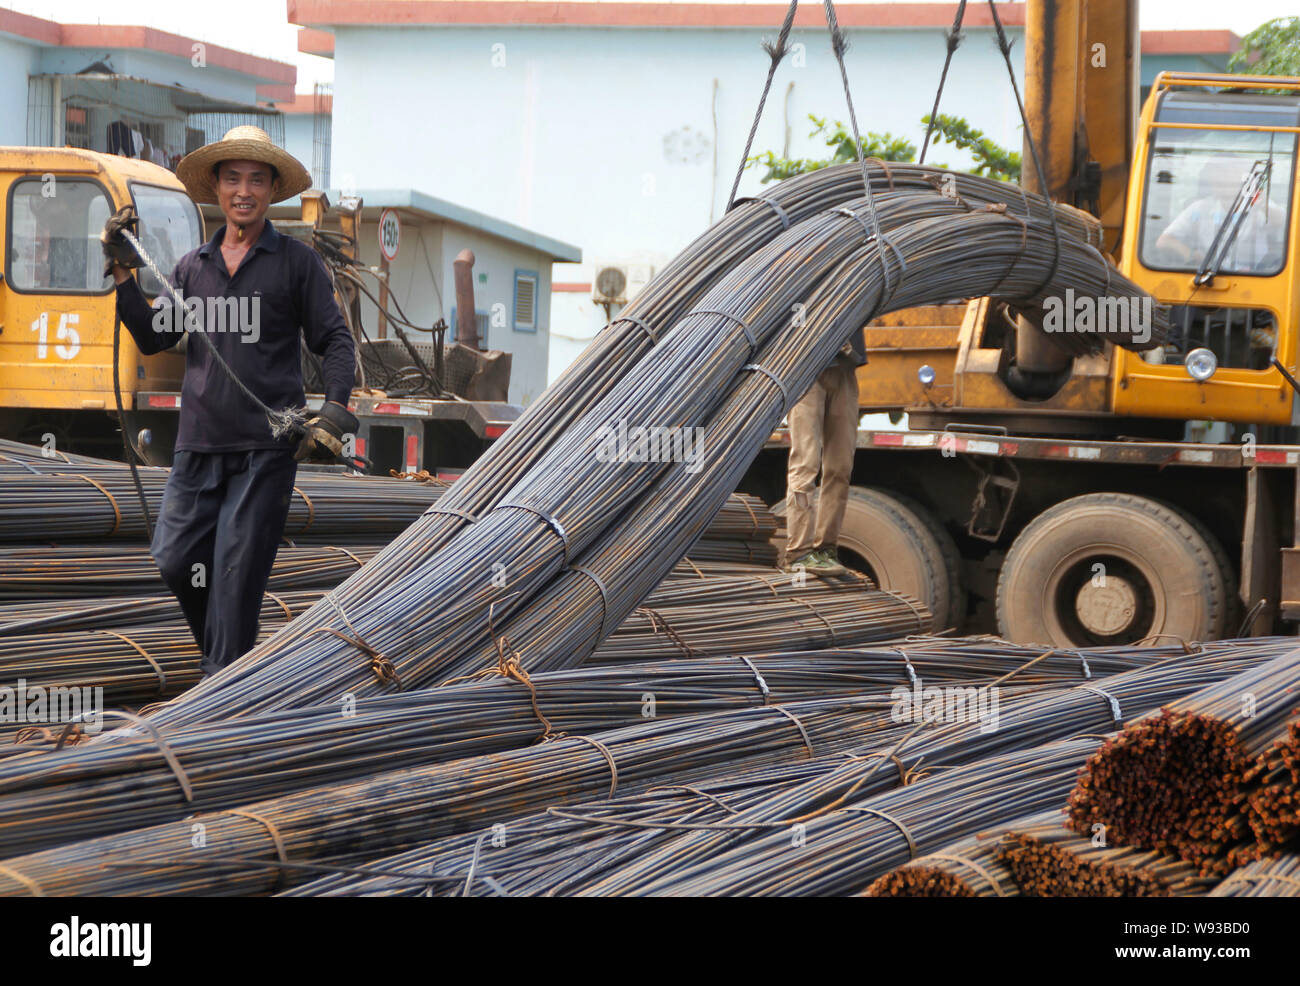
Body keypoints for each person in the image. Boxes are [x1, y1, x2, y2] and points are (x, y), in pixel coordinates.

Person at [102, 125, 358, 678]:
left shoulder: (296, 264)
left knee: (234, 577)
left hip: (264, 456)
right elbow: (152, 335)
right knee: (175, 561)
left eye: (257, 180)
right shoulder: (194, 267)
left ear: (271, 191)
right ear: (217, 188)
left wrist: (336, 409)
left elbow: (336, 341)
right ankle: (227, 662)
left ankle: (222, 697)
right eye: (233, 179)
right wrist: (123, 269)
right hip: (197, 450)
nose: (244, 191)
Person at [783, 328, 866, 576]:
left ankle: (825, 549)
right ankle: (798, 554)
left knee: (840, 468)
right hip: (806, 367)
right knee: (806, 464)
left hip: (845, 367)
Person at [1154, 156, 1286, 274]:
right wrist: (1192, 255)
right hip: (1209, 276)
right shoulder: (1200, 208)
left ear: (1241, 178)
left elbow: (1281, 221)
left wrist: (1261, 204)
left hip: (1257, 277)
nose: (1220, 180)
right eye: (1215, 176)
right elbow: (1164, 241)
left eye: (1227, 174)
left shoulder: (1258, 204)